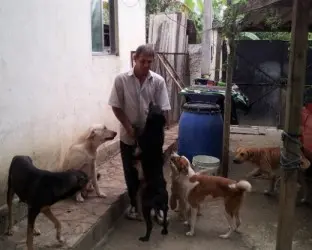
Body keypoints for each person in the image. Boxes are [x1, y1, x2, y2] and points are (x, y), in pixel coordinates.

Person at [108, 45, 171, 220]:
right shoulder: (121, 80)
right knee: (131, 173)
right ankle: (136, 206)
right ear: (135, 58)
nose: (145, 65)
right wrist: (128, 127)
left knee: (155, 174)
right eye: (142, 61)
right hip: (129, 135)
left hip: (152, 140)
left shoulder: (158, 81)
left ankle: (158, 208)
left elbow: (163, 109)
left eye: (149, 62)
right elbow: (116, 106)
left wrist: (151, 133)